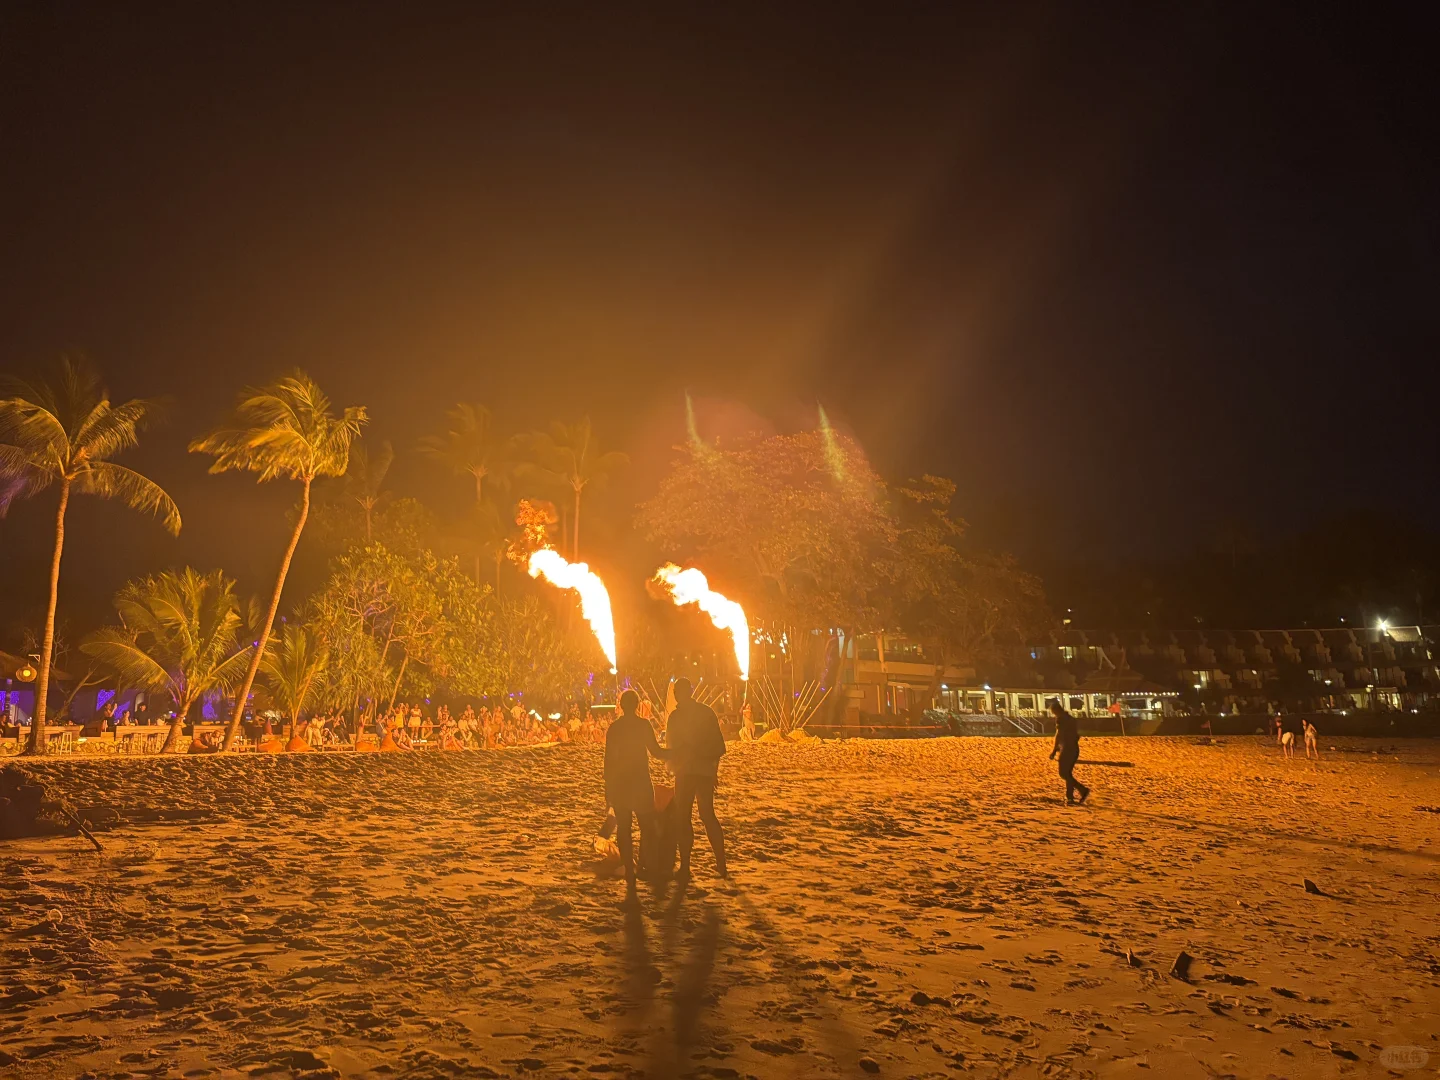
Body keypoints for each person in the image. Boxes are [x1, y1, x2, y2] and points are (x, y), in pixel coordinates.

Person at [605, 689, 669, 906]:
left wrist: (608, 789)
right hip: (640, 782)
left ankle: (630, 873)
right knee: (647, 827)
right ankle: (645, 865)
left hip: (621, 784)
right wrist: (676, 752)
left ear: (621, 706)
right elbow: (656, 752)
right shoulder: (643, 725)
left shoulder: (614, 728)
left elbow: (608, 761)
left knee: (624, 828)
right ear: (638, 705)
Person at [666, 678, 729, 880]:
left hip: (685, 772)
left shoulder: (675, 717)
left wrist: (672, 768)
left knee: (683, 818)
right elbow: (719, 747)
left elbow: (671, 748)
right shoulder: (706, 712)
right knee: (708, 815)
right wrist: (714, 771)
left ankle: (685, 867)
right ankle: (721, 865)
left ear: (677, 693)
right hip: (704, 771)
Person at [1048, 700, 1090, 805]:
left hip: (1067, 748)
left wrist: (1054, 750)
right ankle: (1069, 796)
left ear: (1055, 711)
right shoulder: (1071, 719)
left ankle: (1082, 789)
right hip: (1074, 747)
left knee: (1063, 773)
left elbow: (1059, 735)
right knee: (1068, 773)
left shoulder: (1061, 719)